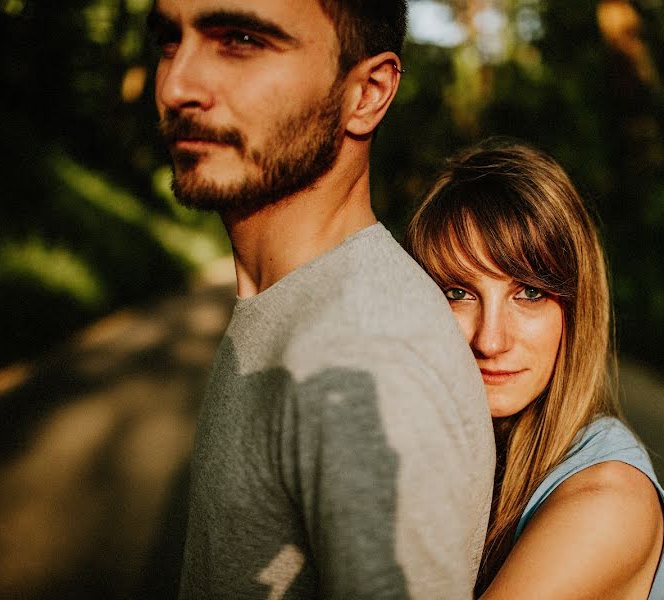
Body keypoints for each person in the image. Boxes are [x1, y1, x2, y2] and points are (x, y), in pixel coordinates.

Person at [148, 1, 495, 598]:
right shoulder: (295, 303)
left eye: (239, 40)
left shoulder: (366, 353)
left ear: (367, 93)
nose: (178, 85)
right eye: (167, 42)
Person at [405, 141, 664, 599]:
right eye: (457, 292)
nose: (490, 340)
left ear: (575, 308)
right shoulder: (449, 454)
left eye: (529, 293)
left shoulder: (609, 501)